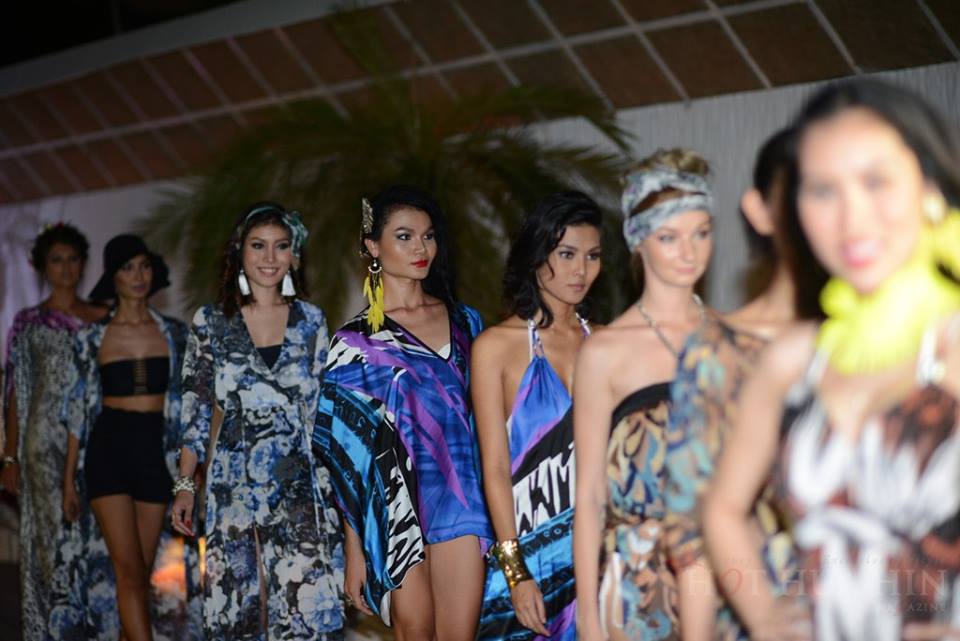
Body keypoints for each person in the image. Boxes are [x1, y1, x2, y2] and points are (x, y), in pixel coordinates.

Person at [704, 78, 960, 641]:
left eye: (876, 181)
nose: (852, 218)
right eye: (822, 190)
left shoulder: (951, 341)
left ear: (928, 186)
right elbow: (722, 509)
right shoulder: (795, 359)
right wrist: (765, 616)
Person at [662, 127, 827, 640]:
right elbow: (693, 533)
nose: (832, 214)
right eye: (812, 191)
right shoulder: (720, 349)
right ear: (760, 210)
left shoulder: (908, 337)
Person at [314, 185, 493, 641]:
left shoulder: (467, 323)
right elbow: (347, 461)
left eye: (428, 236)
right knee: (415, 630)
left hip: (462, 497)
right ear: (372, 246)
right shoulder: (354, 343)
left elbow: (492, 417)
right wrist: (354, 549)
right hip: (392, 506)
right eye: (404, 236)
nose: (420, 248)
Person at [171, 203, 344, 640]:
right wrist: (186, 484)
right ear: (239, 252)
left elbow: (323, 412)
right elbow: (195, 408)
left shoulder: (312, 321)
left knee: (303, 602)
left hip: (301, 483)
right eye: (258, 246)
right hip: (234, 482)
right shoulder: (211, 321)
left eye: (281, 246)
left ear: (294, 255)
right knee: (244, 603)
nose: (270, 257)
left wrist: (337, 491)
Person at [573, 149, 714, 641]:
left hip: (729, 576)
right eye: (669, 237)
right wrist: (588, 619)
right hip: (640, 585)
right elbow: (590, 494)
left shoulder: (730, 337)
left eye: (701, 233)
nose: (689, 252)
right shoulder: (606, 351)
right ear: (638, 240)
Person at [473, 192, 603, 641]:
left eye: (592, 256)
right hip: (529, 555)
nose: (580, 270)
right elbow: (493, 467)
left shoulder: (609, 343)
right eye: (566, 254)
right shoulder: (496, 347)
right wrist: (515, 570)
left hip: (600, 553)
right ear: (536, 256)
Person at [61, 234, 187, 641]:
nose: (138, 276)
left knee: (141, 572)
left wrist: (191, 469)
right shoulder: (91, 337)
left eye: (144, 266)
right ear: (113, 278)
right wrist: (68, 479)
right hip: (108, 449)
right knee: (128, 571)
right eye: (128, 268)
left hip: (155, 452)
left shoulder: (176, 334)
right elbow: (77, 410)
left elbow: (192, 405)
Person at [1, 223, 106, 640]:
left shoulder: (101, 317)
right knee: (48, 544)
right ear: (44, 267)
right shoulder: (28, 321)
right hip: (42, 444)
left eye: (73, 259)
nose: (66, 268)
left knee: (93, 537)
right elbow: (16, 391)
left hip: (94, 442)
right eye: (57, 260)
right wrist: (10, 457)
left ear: (83, 264)